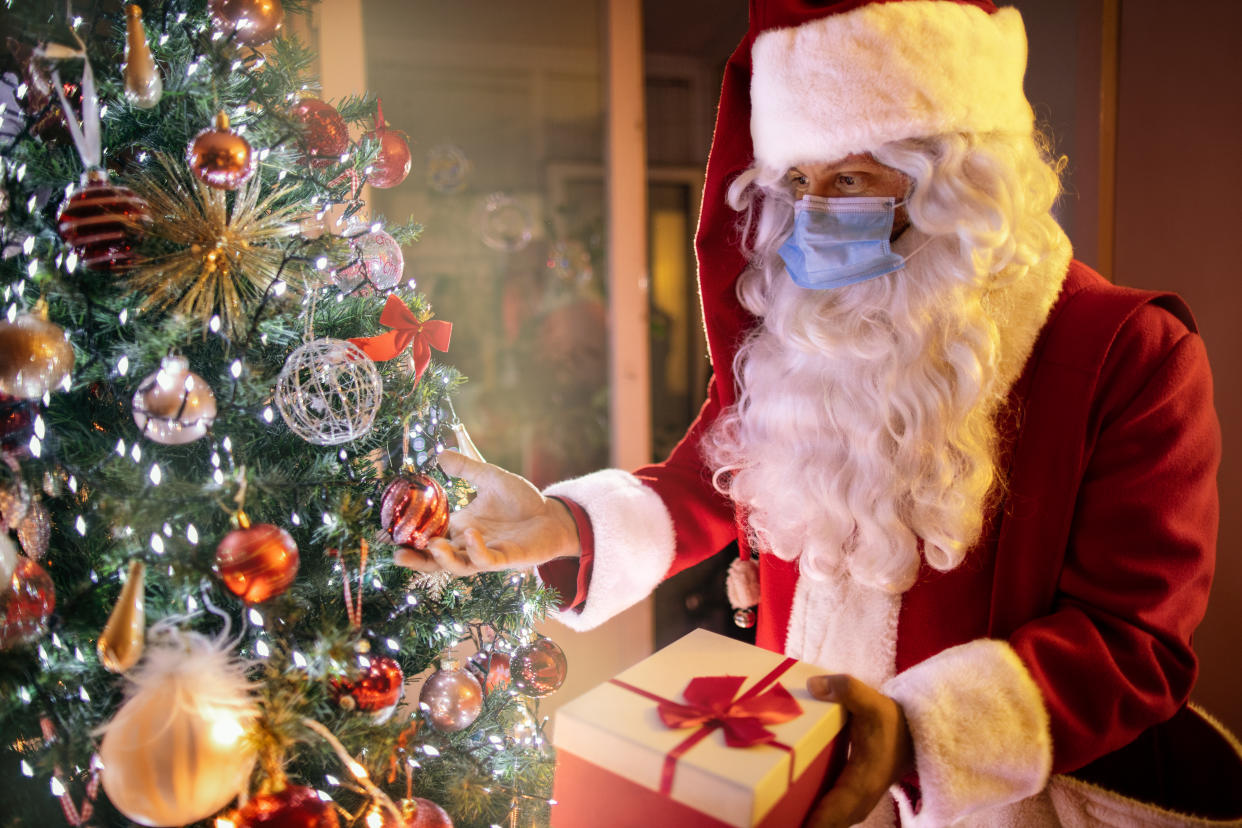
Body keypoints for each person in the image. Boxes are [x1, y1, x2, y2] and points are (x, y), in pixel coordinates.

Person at [398, 1, 1240, 825]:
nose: (811, 216)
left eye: (849, 181)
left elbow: (1132, 645)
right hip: (790, 780)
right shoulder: (806, 325)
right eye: (797, 182)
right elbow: (714, 475)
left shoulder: (1130, 350)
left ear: (954, 181)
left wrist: (913, 735)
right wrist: (560, 524)